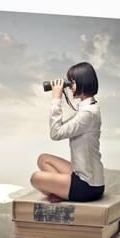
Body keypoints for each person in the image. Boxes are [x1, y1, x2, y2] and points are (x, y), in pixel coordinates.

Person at [30, 61, 105, 202]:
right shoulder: (88, 106)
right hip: (83, 174)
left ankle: (60, 191)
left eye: (73, 82)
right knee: (43, 159)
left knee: (35, 178)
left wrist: (56, 99)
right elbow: (66, 123)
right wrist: (62, 92)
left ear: (83, 83)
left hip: (87, 186)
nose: (70, 87)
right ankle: (59, 191)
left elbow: (56, 133)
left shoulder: (88, 113)